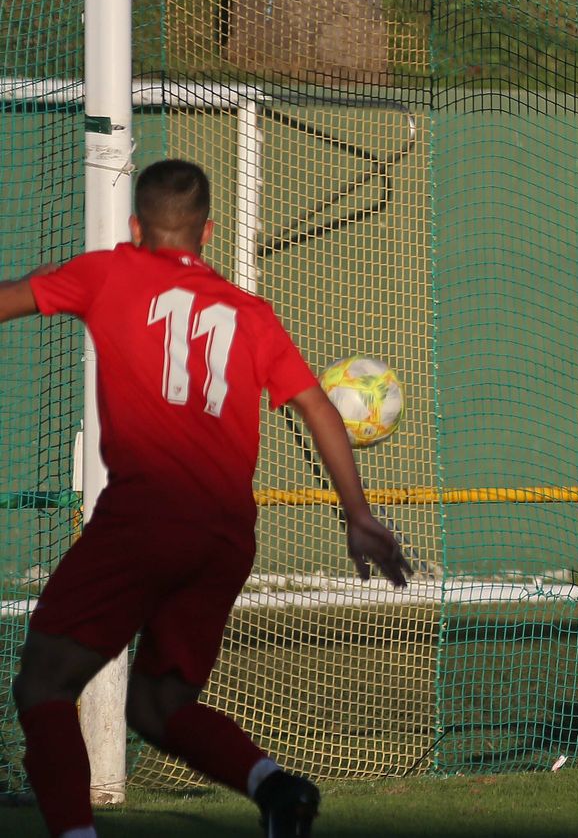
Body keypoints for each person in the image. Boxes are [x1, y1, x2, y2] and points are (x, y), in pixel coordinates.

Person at [5, 159, 412, 838]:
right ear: (209, 231)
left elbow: (8, 299)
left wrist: (37, 283)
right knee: (157, 705)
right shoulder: (251, 314)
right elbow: (318, 406)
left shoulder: (108, 271)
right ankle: (277, 789)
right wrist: (358, 513)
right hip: (223, 537)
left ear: (136, 228)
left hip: (142, 519)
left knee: (44, 684)